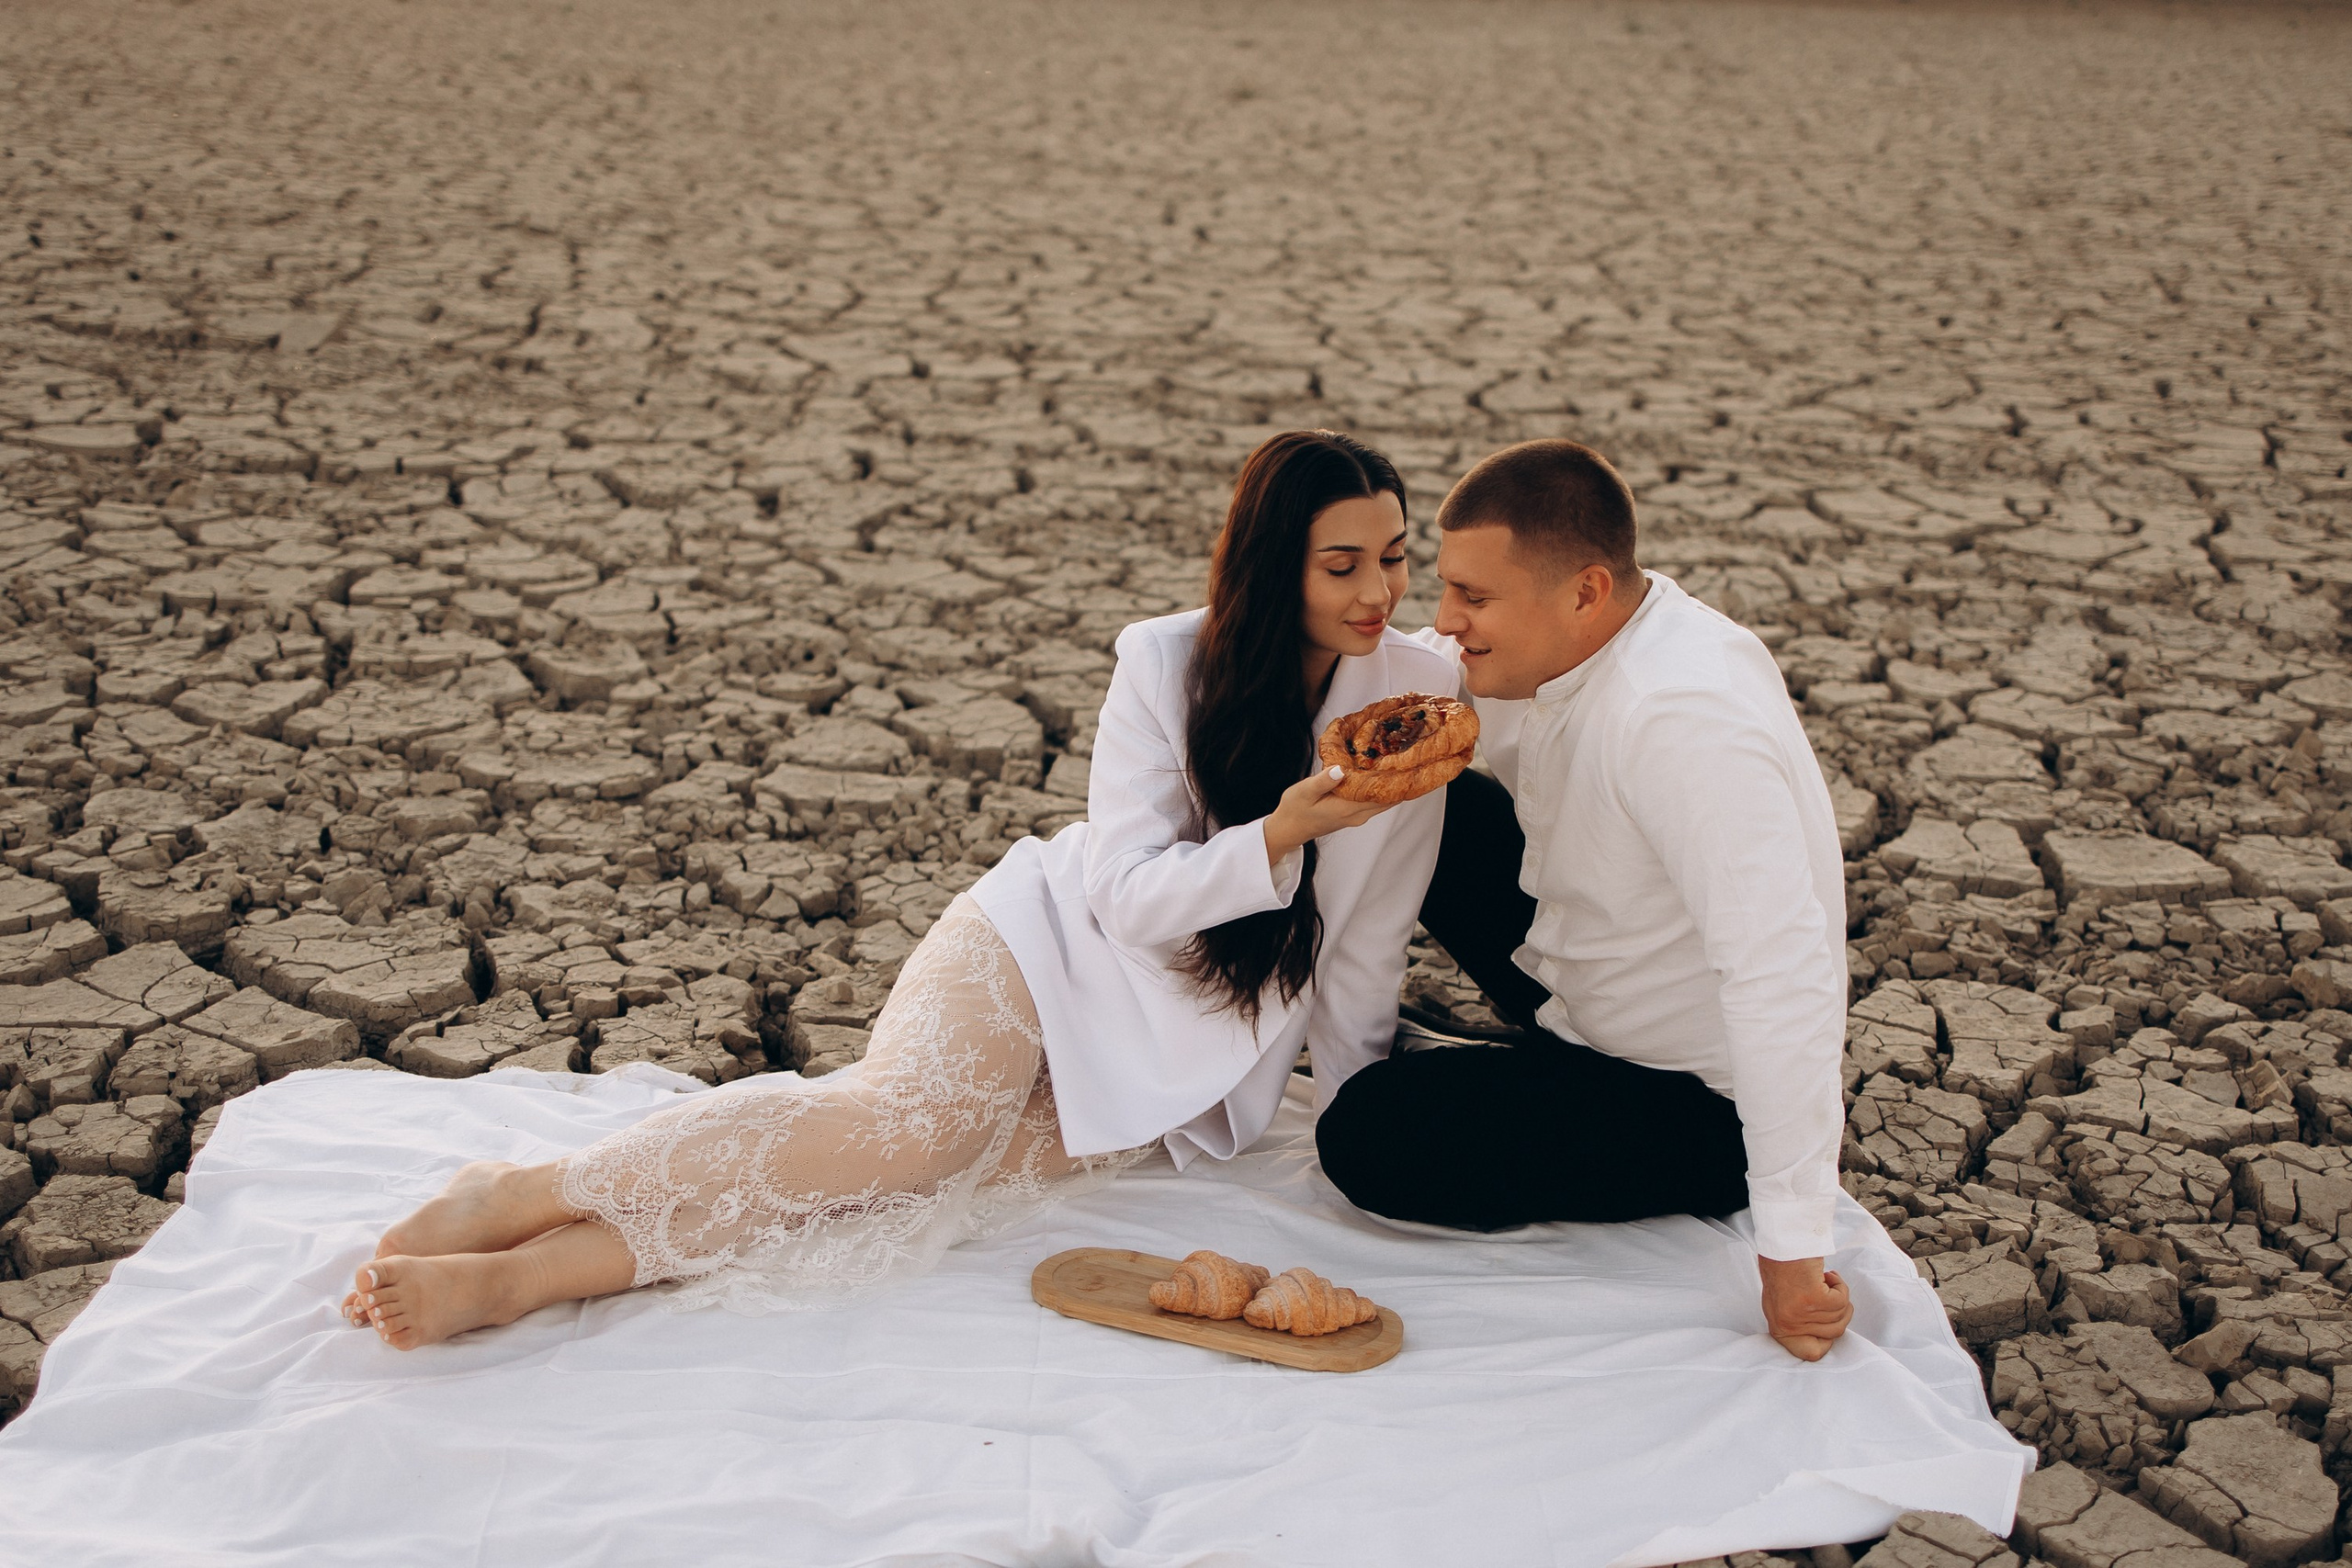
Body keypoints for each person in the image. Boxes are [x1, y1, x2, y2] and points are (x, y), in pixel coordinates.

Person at [343, 430, 1460, 1348]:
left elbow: (1365, 942)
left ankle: (531, 1279)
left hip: (1185, 1070)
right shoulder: (1169, 664)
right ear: (1276, 566)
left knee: (902, 1189)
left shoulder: (1416, 696)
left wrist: (1354, 1125)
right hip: (1049, 956)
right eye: (1342, 564)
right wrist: (1277, 834)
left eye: (1396, 558)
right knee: (903, 1134)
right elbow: (1123, 896)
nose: (1380, 592)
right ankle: (527, 1194)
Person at [1313, 438, 1857, 1361]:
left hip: (1681, 1094)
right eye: (1447, 589)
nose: (1444, 623)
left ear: (1584, 592)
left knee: (1367, 1134)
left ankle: (1480, 1072)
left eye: (1474, 599)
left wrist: (1791, 1247)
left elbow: (1781, 974)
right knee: (1425, 800)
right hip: (1586, 969)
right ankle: (1464, 1051)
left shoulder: (1681, 720)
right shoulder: (1581, 637)